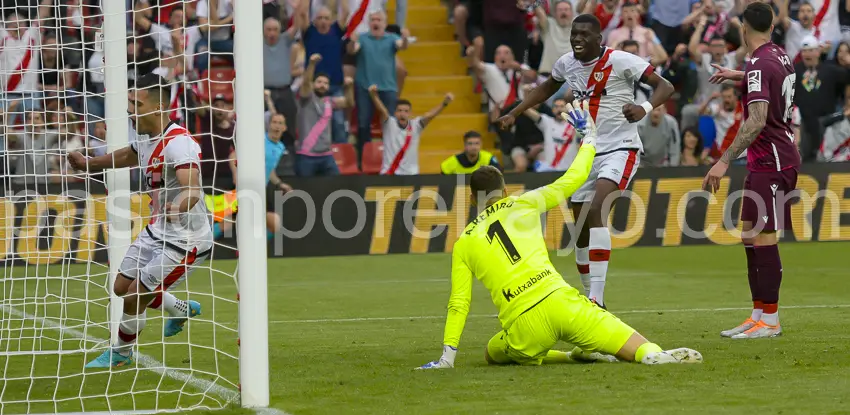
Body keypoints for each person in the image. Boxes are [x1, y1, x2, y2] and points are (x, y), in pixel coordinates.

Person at [417, 102, 702, 369]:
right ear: (504, 190)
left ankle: (567, 355)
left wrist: (447, 357)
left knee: (492, 353)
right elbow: (572, 180)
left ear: (471, 200)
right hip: (561, 301)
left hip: (523, 326)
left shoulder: (464, 241)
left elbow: (459, 303)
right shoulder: (524, 203)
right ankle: (651, 353)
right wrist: (589, 139)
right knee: (631, 343)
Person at [498, 12, 675, 309]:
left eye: (583, 35)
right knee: (579, 226)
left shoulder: (620, 60)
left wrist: (644, 107)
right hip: (589, 151)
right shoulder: (567, 63)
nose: (577, 39)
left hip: (622, 147)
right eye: (574, 35)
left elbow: (665, 87)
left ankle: (597, 299)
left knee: (597, 208)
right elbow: (546, 88)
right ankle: (587, 294)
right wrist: (515, 112)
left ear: (598, 39)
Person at [68, 74, 210, 368]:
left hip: (187, 241)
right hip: (158, 230)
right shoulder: (146, 139)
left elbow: (193, 189)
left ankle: (121, 353)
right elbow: (129, 155)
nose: (130, 109)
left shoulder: (179, 143)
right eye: (130, 102)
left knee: (133, 297)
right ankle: (179, 309)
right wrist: (88, 164)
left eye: (137, 103)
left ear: (158, 108)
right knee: (121, 287)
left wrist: (178, 205)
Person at [703, 1, 800, 339]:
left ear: (744, 29)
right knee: (749, 234)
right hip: (770, 157)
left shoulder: (759, 63)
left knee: (763, 236)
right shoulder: (780, 55)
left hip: (772, 159)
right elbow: (770, 80)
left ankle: (770, 321)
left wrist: (724, 160)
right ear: (771, 27)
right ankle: (758, 313)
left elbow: (756, 120)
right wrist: (738, 76)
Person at [368, 85, 453, 175]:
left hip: (411, 174)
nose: (402, 114)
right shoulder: (389, 124)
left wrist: (444, 103)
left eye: (406, 111)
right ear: (395, 113)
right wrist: (374, 96)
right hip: (389, 174)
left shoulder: (416, 125)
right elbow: (382, 110)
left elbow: (430, 116)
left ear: (410, 113)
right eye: (399, 110)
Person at [295, 54, 355, 177]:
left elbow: (349, 102)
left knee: (336, 188)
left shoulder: (330, 101)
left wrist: (349, 87)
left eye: (326, 83)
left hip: (327, 156)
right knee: (305, 191)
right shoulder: (306, 99)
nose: (322, 85)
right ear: (313, 84)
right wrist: (311, 64)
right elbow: (306, 83)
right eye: (319, 82)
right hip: (307, 155)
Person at [521, 97, 579, 172]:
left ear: (567, 109)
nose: (559, 109)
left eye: (562, 106)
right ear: (552, 109)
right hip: (550, 171)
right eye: (556, 107)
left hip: (570, 171)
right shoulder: (547, 122)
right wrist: (521, 101)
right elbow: (527, 111)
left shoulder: (575, 124)